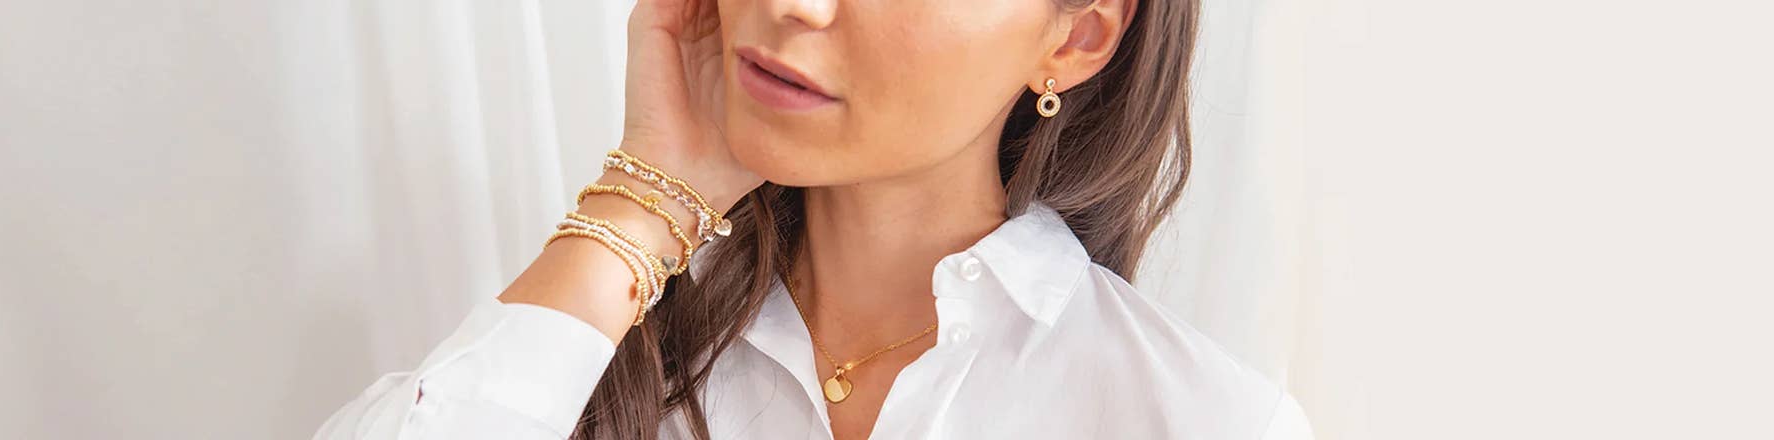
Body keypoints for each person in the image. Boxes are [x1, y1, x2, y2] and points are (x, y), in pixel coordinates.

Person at [315, 0, 1310, 438]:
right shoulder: (587, 355)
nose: (793, 6)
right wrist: (645, 199)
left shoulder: (1200, 421)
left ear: (1077, 37)